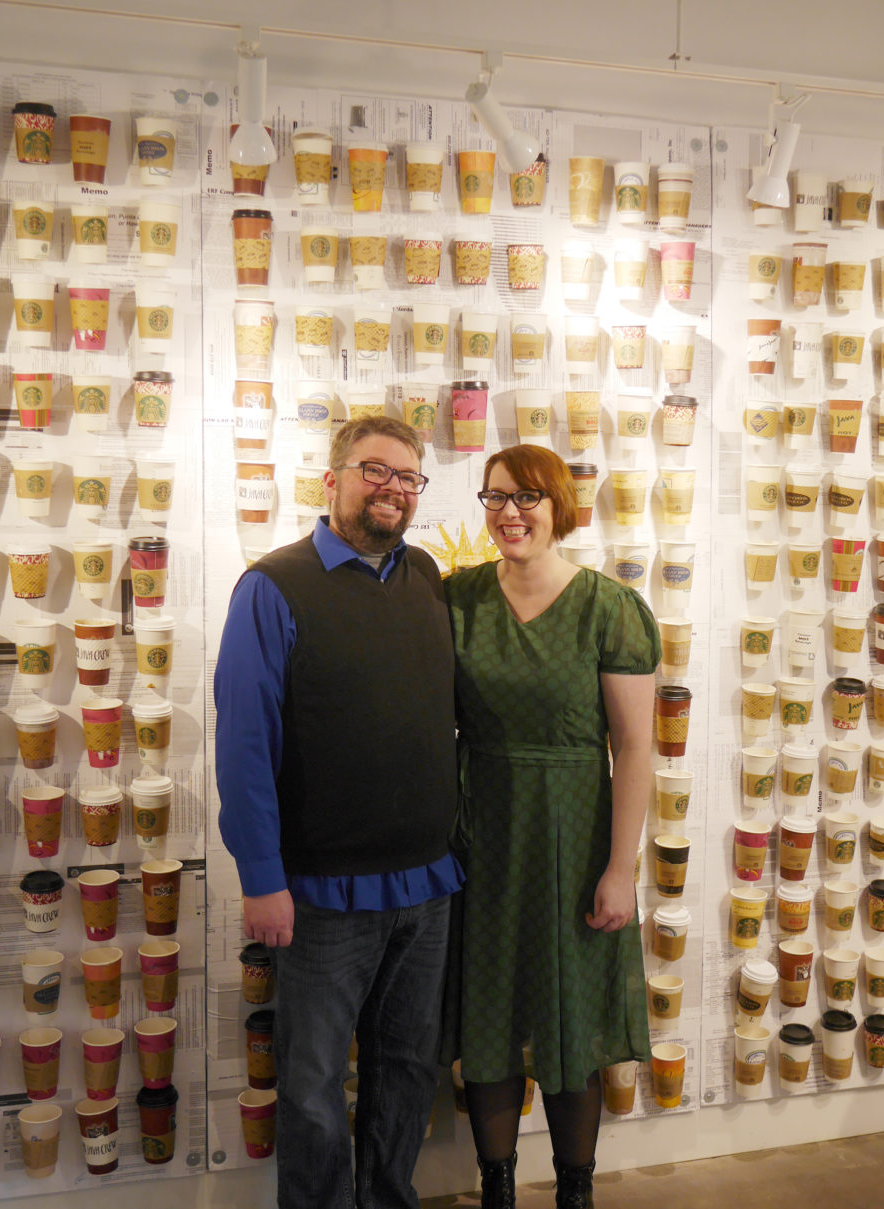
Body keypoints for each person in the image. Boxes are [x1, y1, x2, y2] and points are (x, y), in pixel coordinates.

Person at [215, 415, 463, 1209]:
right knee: (315, 1086)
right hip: (322, 892)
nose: (392, 488)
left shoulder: (426, 575)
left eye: (408, 477)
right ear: (332, 480)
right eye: (374, 470)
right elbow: (244, 744)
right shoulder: (273, 586)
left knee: (407, 1070)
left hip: (426, 885)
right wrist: (262, 878)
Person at [445, 445, 658, 1209]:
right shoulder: (456, 598)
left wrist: (621, 867)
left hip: (576, 839)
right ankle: (497, 1190)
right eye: (496, 497)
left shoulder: (609, 606)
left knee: (573, 1022)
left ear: (559, 505)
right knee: (490, 1018)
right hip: (485, 835)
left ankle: (575, 1191)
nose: (510, 512)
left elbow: (634, 745)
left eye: (528, 497)